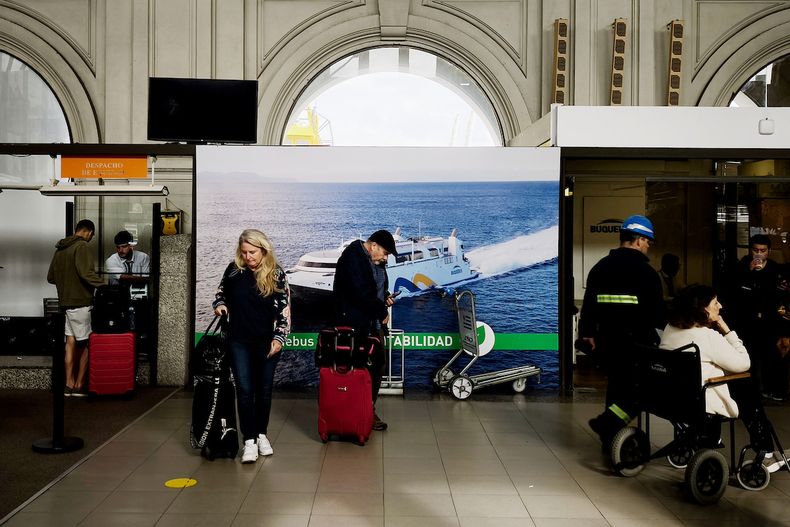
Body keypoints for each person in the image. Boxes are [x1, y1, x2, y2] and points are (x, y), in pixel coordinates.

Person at [660, 284, 786, 473]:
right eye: (715, 303)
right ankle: (766, 451)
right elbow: (744, 363)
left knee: (739, 384)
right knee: (747, 387)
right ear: (703, 308)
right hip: (703, 403)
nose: (720, 306)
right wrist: (726, 330)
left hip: (674, 399)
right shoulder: (707, 336)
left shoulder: (669, 328)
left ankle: (704, 438)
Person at [580, 215, 665, 446]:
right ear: (638, 240)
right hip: (638, 345)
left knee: (616, 387)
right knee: (642, 391)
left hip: (607, 342)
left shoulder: (600, 268)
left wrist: (588, 334)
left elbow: (589, 306)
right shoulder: (647, 274)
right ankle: (608, 424)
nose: (648, 246)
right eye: (648, 242)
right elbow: (658, 316)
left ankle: (610, 441)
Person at [212, 229, 291, 463]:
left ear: (264, 250)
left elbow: (285, 311)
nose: (248, 257)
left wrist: (279, 339)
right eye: (244, 252)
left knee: (263, 391)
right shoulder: (233, 270)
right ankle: (249, 440)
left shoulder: (276, 274)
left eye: (253, 252)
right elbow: (220, 293)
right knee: (245, 390)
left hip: (267, 342)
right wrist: (220, 305)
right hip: (238, 340)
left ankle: (261, 434)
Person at [333, 229, 398, 432]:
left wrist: (385, 296)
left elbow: (375, 288)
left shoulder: (376, 262)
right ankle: (351, 414)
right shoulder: (352, 258)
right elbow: (360, 293)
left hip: (373, 324)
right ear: (373, 245)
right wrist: (381, 311)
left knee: (377, 366)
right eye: (385, 253)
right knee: (356, 369)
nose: (386, 258)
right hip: (355, 326)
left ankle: (367, 410)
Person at [46, 219, 106, 396]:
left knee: (70, 343)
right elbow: (86, 273)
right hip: (81, 302)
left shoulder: (60, 249)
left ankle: (68, 383)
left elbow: (50, 277)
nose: (91, 238)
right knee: (88, 343)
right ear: (89, 232)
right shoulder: (82, 246)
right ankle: (79, 384)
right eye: (91, 235)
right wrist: (105, 286)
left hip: (65, 303)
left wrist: (66, 282)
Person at [728, 234, 784, 401]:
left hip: (768, 320)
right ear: (750, 250)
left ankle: (773, 390)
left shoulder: (775, 269)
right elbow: (732, 292)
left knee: (771, 356)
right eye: (755, 250)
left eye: (762, 251)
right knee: (748, 355)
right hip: (746, 320)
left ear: (769, 251)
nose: (759, 254)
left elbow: (779, 294)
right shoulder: (741, 267)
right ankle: (749, 392)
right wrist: (748, 272)